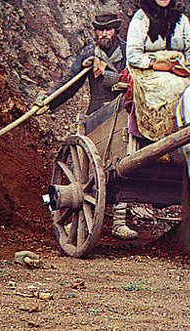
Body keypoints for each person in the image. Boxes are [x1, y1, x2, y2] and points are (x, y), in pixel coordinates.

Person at [34, 12, 138, 240]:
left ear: (116, 31)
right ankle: (74, 218)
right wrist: (49, 102)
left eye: (108, 30)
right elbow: (70, 83)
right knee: (85, 170)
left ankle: (119, 222)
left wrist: (107, 74)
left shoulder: (130, 52)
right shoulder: (89, 53)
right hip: (96, 118)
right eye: (100, 30)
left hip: (124, 112)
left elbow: (133, 80)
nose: (104, 34)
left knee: (123, 166)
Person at [126, 0, 190, 141]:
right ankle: (165, 140)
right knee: (172, 88)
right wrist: (156, 64)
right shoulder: (141, 18)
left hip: (180, 69)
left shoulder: (181, 20)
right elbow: (133, 55)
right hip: (148, 72)